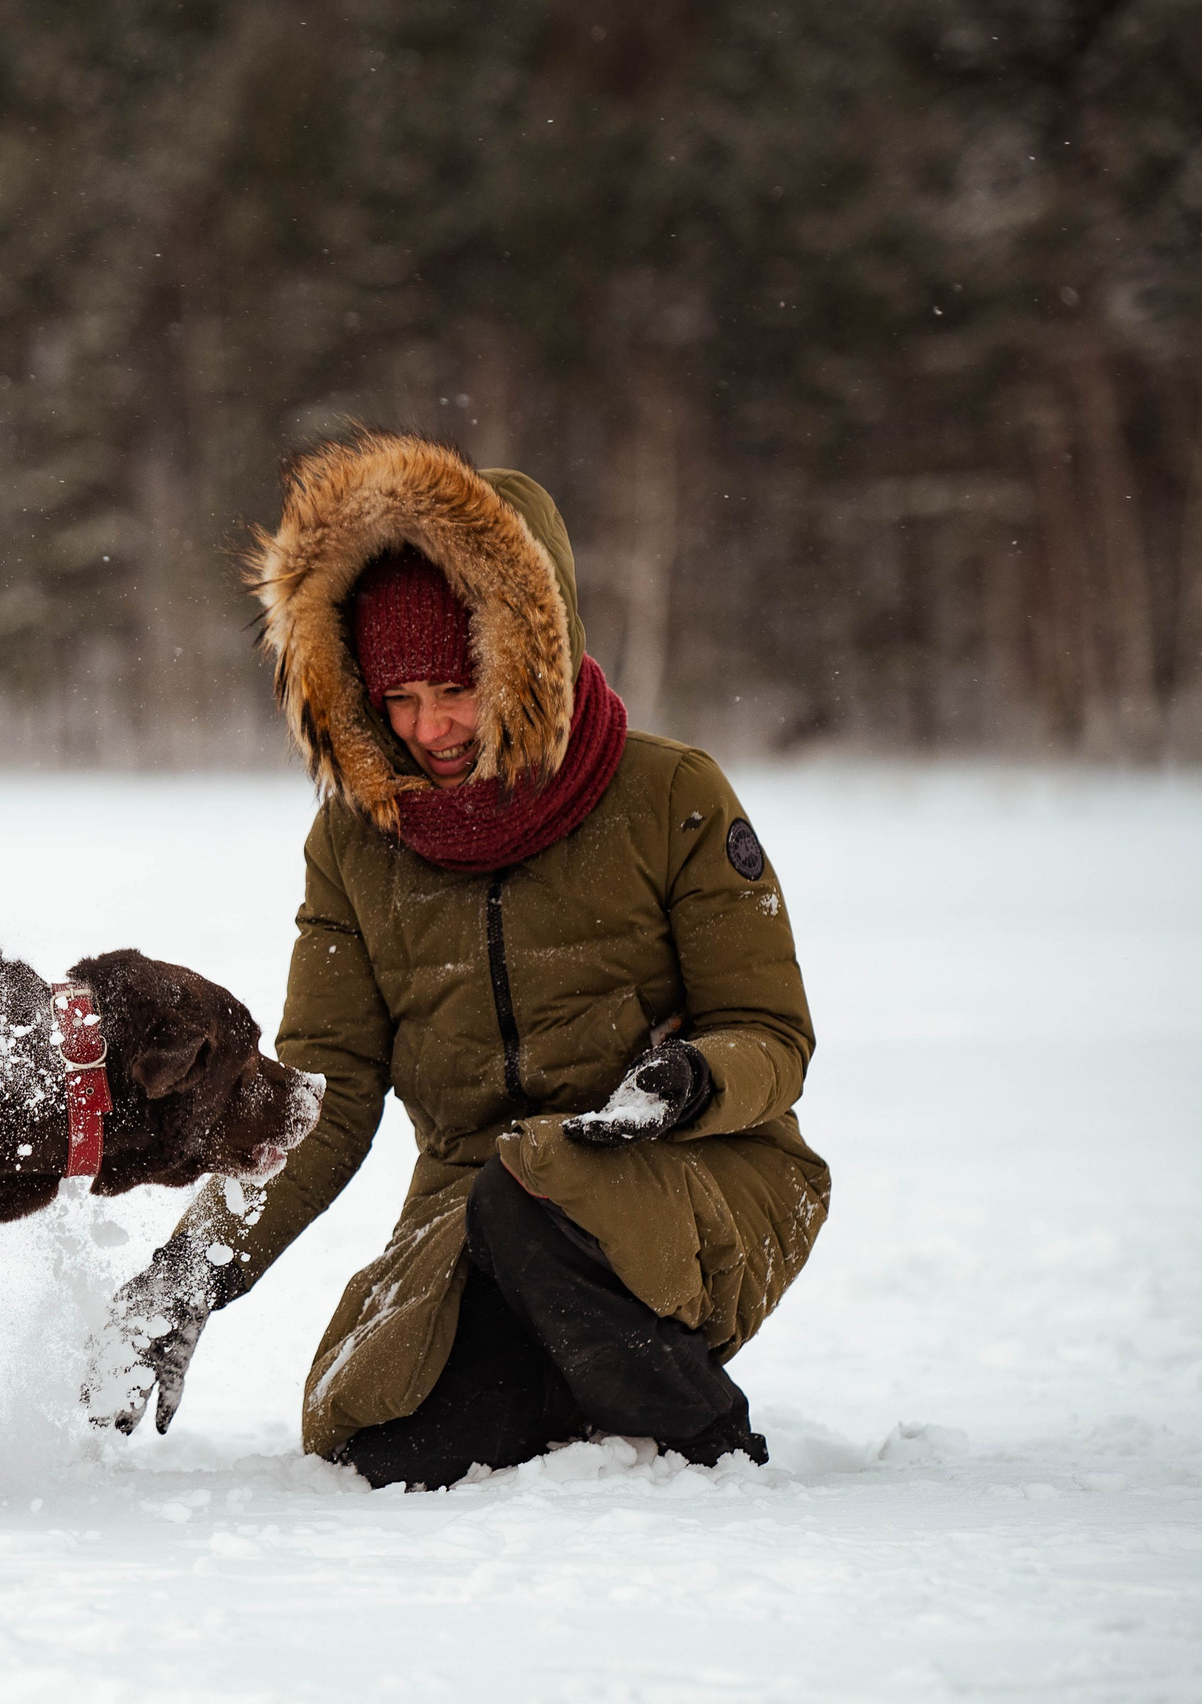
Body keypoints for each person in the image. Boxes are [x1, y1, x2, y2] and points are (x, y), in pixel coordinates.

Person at [89, 432, 826, 1487]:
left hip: (703, 1173)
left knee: (529, 1192)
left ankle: (706, 1447)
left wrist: (694, 1077)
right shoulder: (354, 841)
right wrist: (187, 1274)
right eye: (395, 697)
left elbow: (772, 1037)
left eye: (455, 687)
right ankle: (576, 1404)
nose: (428, 726)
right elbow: (322, 1096)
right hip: (478, 1212)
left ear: (523, 660)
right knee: (382, 1445)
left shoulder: (673, 796)